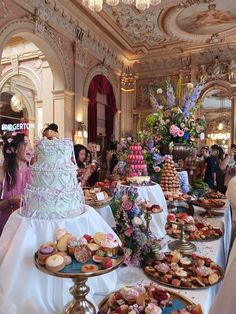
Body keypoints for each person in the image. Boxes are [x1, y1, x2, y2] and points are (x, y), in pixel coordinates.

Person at [0, 132, 33, 235]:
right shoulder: (2, 173)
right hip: (8, 228)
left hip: (29, 229)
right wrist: (10, 201)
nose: (31, 148)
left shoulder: (34, 174)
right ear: (14, 150)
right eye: (26, 144)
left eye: (30, 143)